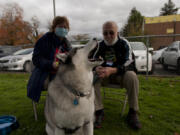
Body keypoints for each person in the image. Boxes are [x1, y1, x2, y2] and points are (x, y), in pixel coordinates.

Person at [93, 21, 142, 130]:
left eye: (111, 32)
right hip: (104, 75)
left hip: (121, 75)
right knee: (93, 77)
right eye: (105, 33)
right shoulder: (100, 45)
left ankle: (133, 112)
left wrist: (113, 70)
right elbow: (93, 60)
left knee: (132, 76)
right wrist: (96, 68)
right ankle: (99, 111)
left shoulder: (124, 43)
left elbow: (130, 63)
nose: (108, 36)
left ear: (117, 32)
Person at [27, 16, 72, 102]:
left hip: (62, 73)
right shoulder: (44, 40)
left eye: (65, 27)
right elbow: (36, 59)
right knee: (61, 84)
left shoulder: (67, 43)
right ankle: (57, 106)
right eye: (60, 27)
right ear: (54, 28)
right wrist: (51, 64)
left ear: (68, 29)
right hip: (44, 74)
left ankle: (68, 106)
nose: (63, 29)